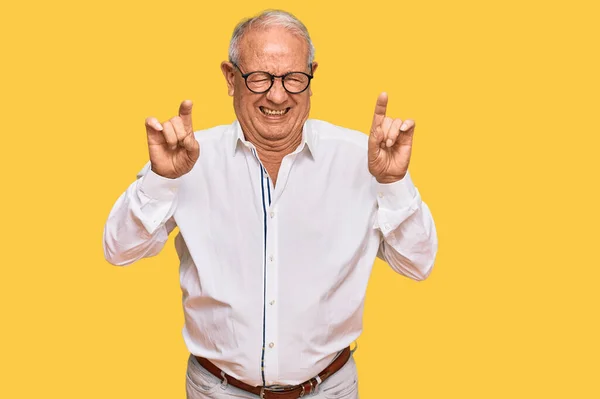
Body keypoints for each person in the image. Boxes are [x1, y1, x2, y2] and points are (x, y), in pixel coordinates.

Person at [103, 9, 438, 399]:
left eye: (294, 79)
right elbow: (118, 250)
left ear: (312, 77)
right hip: (218, 390)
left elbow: (419, 264)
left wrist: (393, 184)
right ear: (231, 78)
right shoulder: (187, 157)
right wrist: (161, 180)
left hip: (330, 389)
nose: (277, 95)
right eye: (259, 78)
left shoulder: (365, 159)